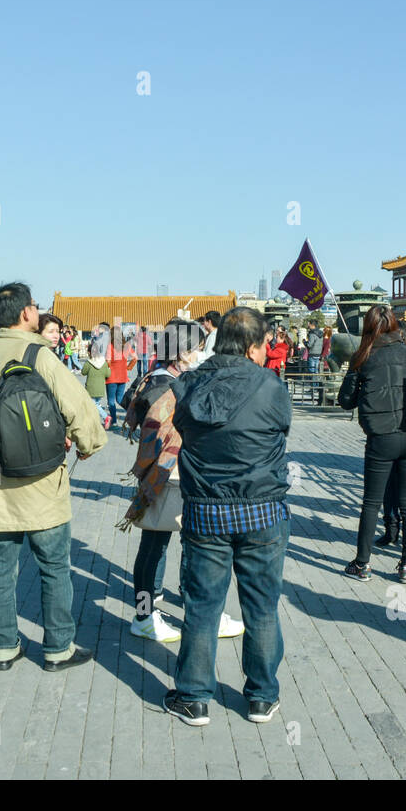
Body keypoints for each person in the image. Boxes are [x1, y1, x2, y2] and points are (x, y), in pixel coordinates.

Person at [0, 281, 106, 671]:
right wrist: (88, 444)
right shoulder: (39, 356)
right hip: (41, 479)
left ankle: (3, 647)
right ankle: (59, 648)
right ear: (27, 313)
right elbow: (81, 410)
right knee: (54, 566)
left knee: (0, 566)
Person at [164, 307, 290, 727]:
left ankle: (194, 697)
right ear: (255, 346)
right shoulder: (271, 386)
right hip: (262, 511)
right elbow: (282, 430)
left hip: (206, 512)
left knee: (202, 606)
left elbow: (183, 428)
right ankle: (261, 697)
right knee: (262, 607)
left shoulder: (188, 384)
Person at [122, 318, 245, 643]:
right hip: (174, 475)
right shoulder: (168, 384)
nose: (200, 353)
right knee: (185, 548)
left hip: (162, 475)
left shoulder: (157, 376)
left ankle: (148, 615)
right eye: (196, 347)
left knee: (155, 546)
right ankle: (163, 615)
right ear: (182, 350)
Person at [335, 305, 406, 583]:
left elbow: (345, 401)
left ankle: (362, 564)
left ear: (369, 327)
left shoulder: (363, 357)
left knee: (372, 503)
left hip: (381, 439)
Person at [105, 325, 135, 429]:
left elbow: (108, 361)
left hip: (112, 377)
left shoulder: (110, 346)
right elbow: (135, 358)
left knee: (111, 401)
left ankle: (113, 421)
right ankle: (132, 413)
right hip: (123, 376)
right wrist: (128, 367)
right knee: (120, 398)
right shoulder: (126, 345)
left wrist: (108, 367)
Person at [81, 347, 111, 430]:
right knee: (95, 404)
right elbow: (108, 375)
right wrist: (108, 368)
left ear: (90, 352)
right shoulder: (104, 362)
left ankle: (106, 417)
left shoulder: (88, 363)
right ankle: (93, 422)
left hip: (91, 388)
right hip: (101, 388)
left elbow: (83, 372)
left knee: (94, 405)